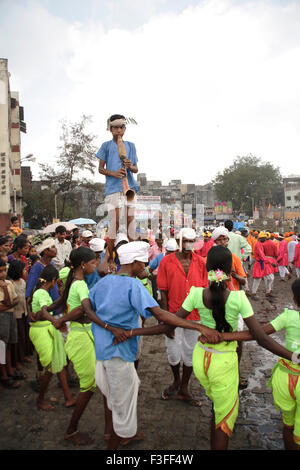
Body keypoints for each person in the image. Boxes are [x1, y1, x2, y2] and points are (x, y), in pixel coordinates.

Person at [89, 241, 221, 450]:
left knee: (116, 397)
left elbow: (86, 306)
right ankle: (117, 441)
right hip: (119, 354)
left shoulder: (103, 282)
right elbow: (159, 313)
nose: (145, 266)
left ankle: (119, 432)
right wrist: (197, 328)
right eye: (143, 263)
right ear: (133, 262)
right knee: (122, 404)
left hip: (103, 353)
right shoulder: (132, 285)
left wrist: (109, 326)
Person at [217, 278, 300, 450]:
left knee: (288, 424)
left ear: (294, 300)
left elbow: (258, 334)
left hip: (286, 379)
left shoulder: (289, 316)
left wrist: (225, 336)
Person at [52, 247, 110, 445]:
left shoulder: (75, 282)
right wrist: (106, 326)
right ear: (83, 265)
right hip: (80, 337)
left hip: (83, 334)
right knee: (89, 386)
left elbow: (66, 302)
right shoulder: (81, 285)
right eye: (93, 262)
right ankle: (71, 429)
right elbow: (81, 310)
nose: (95, 265)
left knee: (96, 383)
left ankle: (109, 430)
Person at [157, 228, 208, 406]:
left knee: (190, 352)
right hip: (172, 314)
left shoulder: (201, 262)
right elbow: (162, 291)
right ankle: (175, 380)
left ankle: (184, 386)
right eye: (185, 241)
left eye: (191, 241)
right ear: (178, 242)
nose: (188, 244)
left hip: (195, 316)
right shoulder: (166, 262)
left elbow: (204, 290)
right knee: (173, 351)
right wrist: (165, 318)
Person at [29, 265, 75, 411]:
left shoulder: (43, 292)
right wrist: (55, 321)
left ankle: (68, 398)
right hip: (41, 331)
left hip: (48, 329)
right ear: (54, 280)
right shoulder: (41, 293)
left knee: (59, 362)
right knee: (50, 365)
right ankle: (40, 400)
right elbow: (43, 311)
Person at [96, 114, 139, 265]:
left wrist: (129, 165)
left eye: (121, 127)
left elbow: (135, 169)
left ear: (125, 129)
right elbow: (101, 169)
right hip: (113, 187)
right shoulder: (106, 146)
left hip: (129, 187)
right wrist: (113, 173)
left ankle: (132, 252)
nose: (119, 130)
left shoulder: (131, 145)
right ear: (110, 129)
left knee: (130, 219)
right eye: (116, 127)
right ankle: (109, 256)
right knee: (114, 221)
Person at [7, 260, 33, 369]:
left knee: (23, 336)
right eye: (23, 269)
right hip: (15, 314)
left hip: (24, 312)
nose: (25, 271)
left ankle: (23, 356)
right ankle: (17, 359)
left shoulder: (22, 281)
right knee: (17, 337)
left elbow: (25, 297)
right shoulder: (11, 284)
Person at [0, 259, 20, 389]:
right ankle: (4, 376)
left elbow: (15, 300)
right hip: (2, 318)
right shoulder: (5, 285)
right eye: (0, 271)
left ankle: (9, 370)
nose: (2, 274)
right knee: (2, 347)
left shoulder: (8, 283)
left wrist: (8, 305)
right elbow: (7, 303)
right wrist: (5, 290)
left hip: (10, 315)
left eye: (4, 271)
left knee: (8, 346)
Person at [251, 232, 277, 300]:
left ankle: (268, 292)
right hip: (260, 264)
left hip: (262, 263)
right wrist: (271, 262)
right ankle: (254, 293)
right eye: (264, 238)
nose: (266, 238)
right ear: (261, 238)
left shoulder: (260, 244)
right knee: (258, 279)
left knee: (270, 278)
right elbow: (262, 256)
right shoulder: (258, 245)